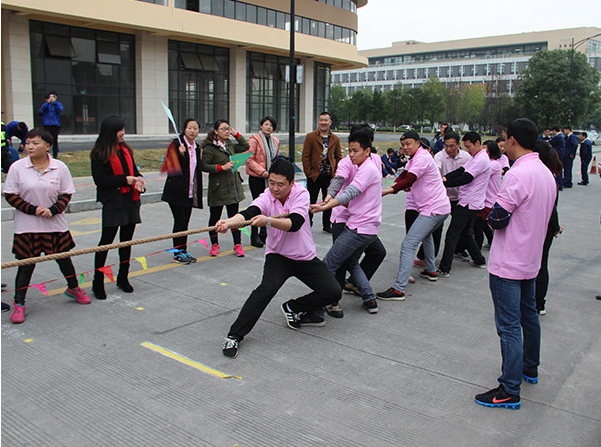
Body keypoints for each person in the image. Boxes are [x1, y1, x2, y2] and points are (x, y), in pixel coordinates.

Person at [220, 159, 341, 359]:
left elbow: (295, 223)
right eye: (271, 183)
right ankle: (234, 335)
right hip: (278, 256)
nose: (274, 188)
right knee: (265, 290)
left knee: (333, 291)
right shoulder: (267, 196)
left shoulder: (301, 194)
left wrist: (269, 221)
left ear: (291, 183)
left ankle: (293, 307)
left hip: (303, 256)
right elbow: (250, 212)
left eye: (280, 184)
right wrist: (228, 222)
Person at [475, 118, 556, 409]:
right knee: (529, 317)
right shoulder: (545, 173)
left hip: (509, 262)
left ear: (513, 141)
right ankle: (529, 369)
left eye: (505, 138)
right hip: (531, 260)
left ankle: (509, 389)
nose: (503, 142)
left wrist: (492, 207)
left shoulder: (518, 175)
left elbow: (498, 218)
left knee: (508, 326)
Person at [3, 128, 91, 324]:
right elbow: (10, 195)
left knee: (64, 260)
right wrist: (34, 210)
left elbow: (66, 194)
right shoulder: (17, 167)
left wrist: (53, 210)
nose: (30, 147)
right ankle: (19, 303)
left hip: (55, 224)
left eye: (35, 143)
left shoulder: (60, 167)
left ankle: (73, 288)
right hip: (27, 226)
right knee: (25, 266)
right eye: (27, 143)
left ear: (47, 146)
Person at [310, 130, 383, 314]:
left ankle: (319, 307)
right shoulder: (358, 164)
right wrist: (329, 198)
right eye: (349, 150)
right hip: (367, 227)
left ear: (367, 150)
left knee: (329, 264)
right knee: (351, 261)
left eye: (355, 150)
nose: (351, 154)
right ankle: (369, 298)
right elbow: (339, 181)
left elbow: (350, 192)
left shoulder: (368, 169)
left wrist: (325, 205)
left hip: (358, 227)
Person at [376, 131, 450, 300]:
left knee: (408, 244)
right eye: (403, 145)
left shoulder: (423, 158)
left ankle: (399, 289)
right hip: (437, 207)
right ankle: (431, 271)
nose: (405, 148)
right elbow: (403, 175)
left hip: (433, 208)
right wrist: (394, 185)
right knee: (427, 236)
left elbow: (409, 179)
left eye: (408, 144)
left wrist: (388, 191)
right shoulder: (415, 158)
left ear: (418, 143)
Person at [91, 116, 146, 300]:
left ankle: (123, 277)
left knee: (126, 242)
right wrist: (125, 180)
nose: (123, 133)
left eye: (123, 129)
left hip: (130, 200)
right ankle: (97, 281)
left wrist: (139, 180)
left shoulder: (126, 149)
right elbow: (100, 181)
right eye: (119, 129)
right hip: (113, 202)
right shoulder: (100, 153)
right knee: (105, 242)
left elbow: (134, 172)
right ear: (110, 132)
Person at [437, 131, 490, 277]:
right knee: (466, 234)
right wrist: (444, 178)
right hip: (471, 202)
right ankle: (479, 260)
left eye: (469, 147)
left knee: (452, 235)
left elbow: (466, 178)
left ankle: (444, 268)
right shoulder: (476, 157)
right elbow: (461, 170)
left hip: (468, 203)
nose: (468, 150)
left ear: (477, 143)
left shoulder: (481, 160)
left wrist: (444, 184)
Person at [201, 119, 249, 257]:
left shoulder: (229, 144)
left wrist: (236, 135)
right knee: (215, 218)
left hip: (232, 187)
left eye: (228, 129)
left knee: (235, 218)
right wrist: (221, 167)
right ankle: (214, 244)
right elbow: (204, 165)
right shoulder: (210, 147)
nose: (227, 131)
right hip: (218, 188)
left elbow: (245, 146)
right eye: (223, 129)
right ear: (216, 131)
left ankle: (237, 245)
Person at [161, 118, 203, 264]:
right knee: (179, 222)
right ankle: (177, 253)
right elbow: (169, 167)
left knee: (185, 223)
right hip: (176, 192)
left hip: (190, 191)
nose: (192, 131)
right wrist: (180, 154)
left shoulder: (197, 147)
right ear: (184, 129)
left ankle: (183, 250)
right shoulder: (176, 144)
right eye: (190, 128)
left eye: (195, 128)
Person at [533, 140, 563, 315]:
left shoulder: (544, 176)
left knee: (540, 265)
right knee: (540, 264)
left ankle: (538, 303)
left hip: (544, 227)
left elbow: (551, 208)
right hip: (547, 226)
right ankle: (538, 302)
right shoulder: (548, 174)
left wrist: (554, 226)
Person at [302, 111, 342, 233]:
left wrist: (336, 172)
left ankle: (327, 224)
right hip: (314, 175)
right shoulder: (311, 137)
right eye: (321, 120)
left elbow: (338, 157)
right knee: (311, 200)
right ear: (318, 122)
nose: (323, 122)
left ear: (330, 122)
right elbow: (305, 156)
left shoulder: (335, 138)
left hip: (329, 175)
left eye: (326, 120)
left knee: (328, 200)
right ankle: (308, 222)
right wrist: (308, 172)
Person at [246, 116, 279, 247]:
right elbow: (249, 159)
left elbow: (275, 158)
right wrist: (262, 172)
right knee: (257, 207)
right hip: (257, 178)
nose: (268, 127)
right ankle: (254, 236)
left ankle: (264, 234)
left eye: (271, 125)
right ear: (261, 126)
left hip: (270, 179)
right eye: (266, 124)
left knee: (269, 206)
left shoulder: (275, 141)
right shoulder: (254, 140)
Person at [473, 140, 502, 250]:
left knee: (478, 226)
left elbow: (475, 173)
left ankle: (477, 251)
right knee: (483, 224)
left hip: (487, 201)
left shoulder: (493, 164)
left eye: (486, 151)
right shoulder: (490, 163)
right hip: (484, 199)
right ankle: (491, 240)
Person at [38, 91, 63, 158]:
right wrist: (48, 103)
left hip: (55, 124)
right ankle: (45, 153)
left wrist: (54, 102)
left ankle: (55, 154)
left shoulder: (58, 104)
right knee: (46, 139)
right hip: (46, 124)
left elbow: (59, 110)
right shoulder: (46, 105)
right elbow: (40, 112)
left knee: (55, 140)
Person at [549, 126, 565, 190]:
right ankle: (559, 184)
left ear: (555, 130)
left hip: (558, 154)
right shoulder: (560, 136)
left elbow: (551, 142)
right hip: (560, 154)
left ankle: (559, 184)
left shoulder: (558, 137)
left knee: (557, 170)